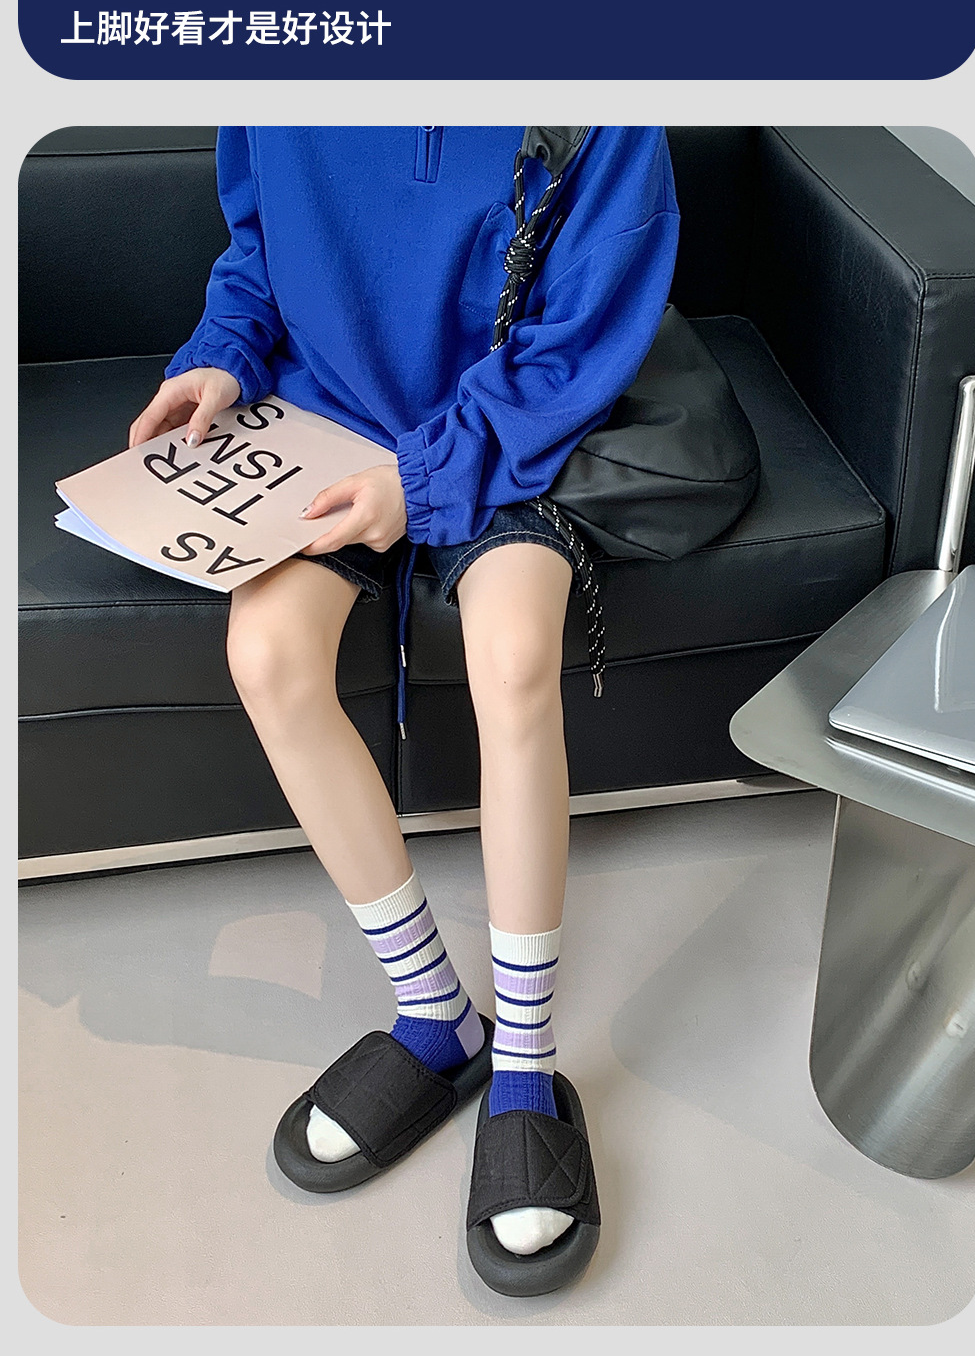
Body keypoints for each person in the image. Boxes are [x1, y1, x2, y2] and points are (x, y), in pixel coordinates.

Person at [129, 125, 680, 1286]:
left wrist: (424, 480)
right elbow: (260, 246)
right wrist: (224, 354)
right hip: (324, 418)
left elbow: (584, 324)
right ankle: (436, 1016)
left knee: (513, 657)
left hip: (513, 428)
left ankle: (524, 1063)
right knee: (267, 657)